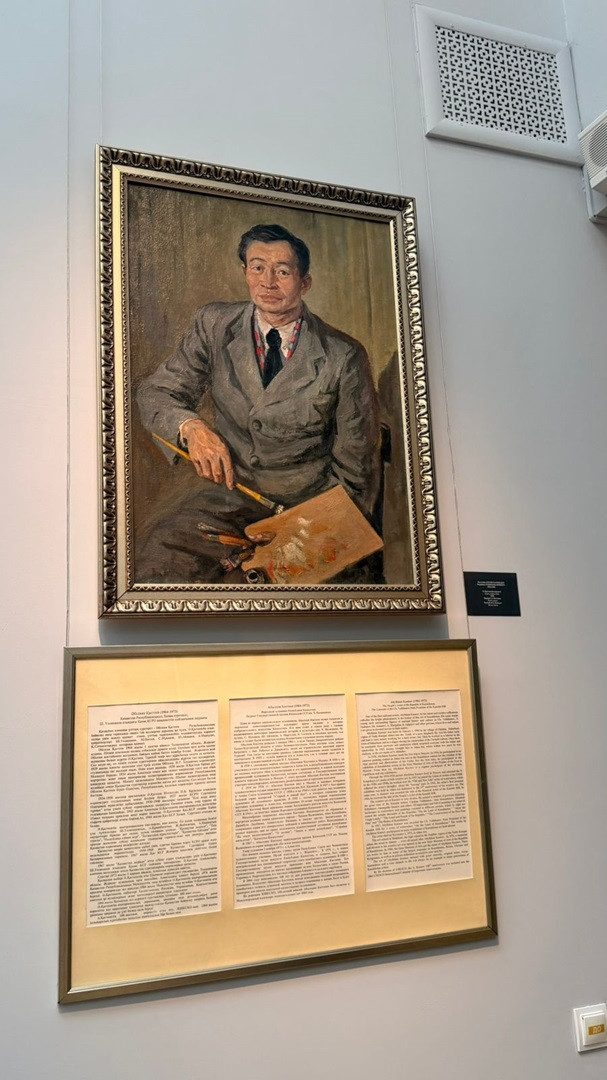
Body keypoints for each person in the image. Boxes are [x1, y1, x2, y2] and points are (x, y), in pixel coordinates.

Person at [136, 223, 380, 582]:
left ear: (305, 283)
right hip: (228, 501)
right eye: (258, 268)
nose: (268, 282)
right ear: (245, 272)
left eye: (282, 272)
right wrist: (191, 427)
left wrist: (306, 530)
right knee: (160, 562)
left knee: (262, 584)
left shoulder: (343, 356)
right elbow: (156, 392)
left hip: (309, 509)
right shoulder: (214, 324)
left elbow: (355, 472)